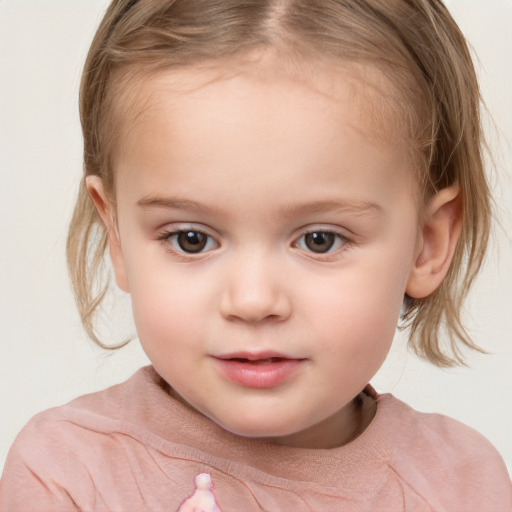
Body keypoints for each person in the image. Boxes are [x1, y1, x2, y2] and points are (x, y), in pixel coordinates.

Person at [1, 0, 511, 510]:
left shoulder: (463, 486)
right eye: (191, 239)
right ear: (116, 235)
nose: (252, 300)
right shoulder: (66, 475)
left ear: (428, 243)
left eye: (320, 240)